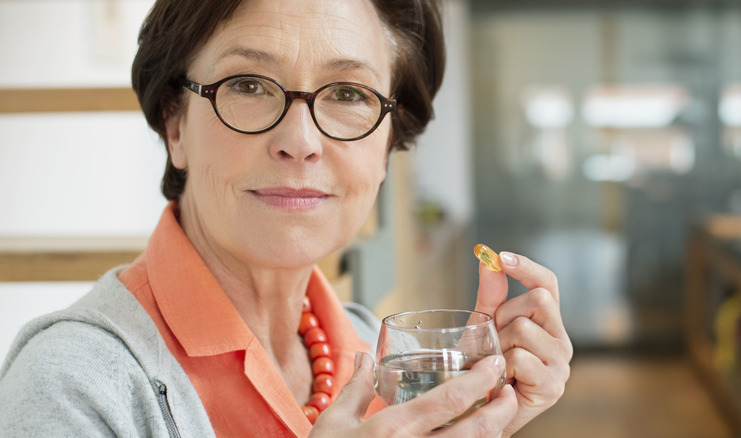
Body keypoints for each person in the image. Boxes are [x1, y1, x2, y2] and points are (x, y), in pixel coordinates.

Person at [0, 0, 572, 436]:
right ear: (175, 125)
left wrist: (473, 411)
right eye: (248, 85)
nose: (300, 142)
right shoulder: (71, 385)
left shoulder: (374, 349)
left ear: (389, 143)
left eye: (348, 94)